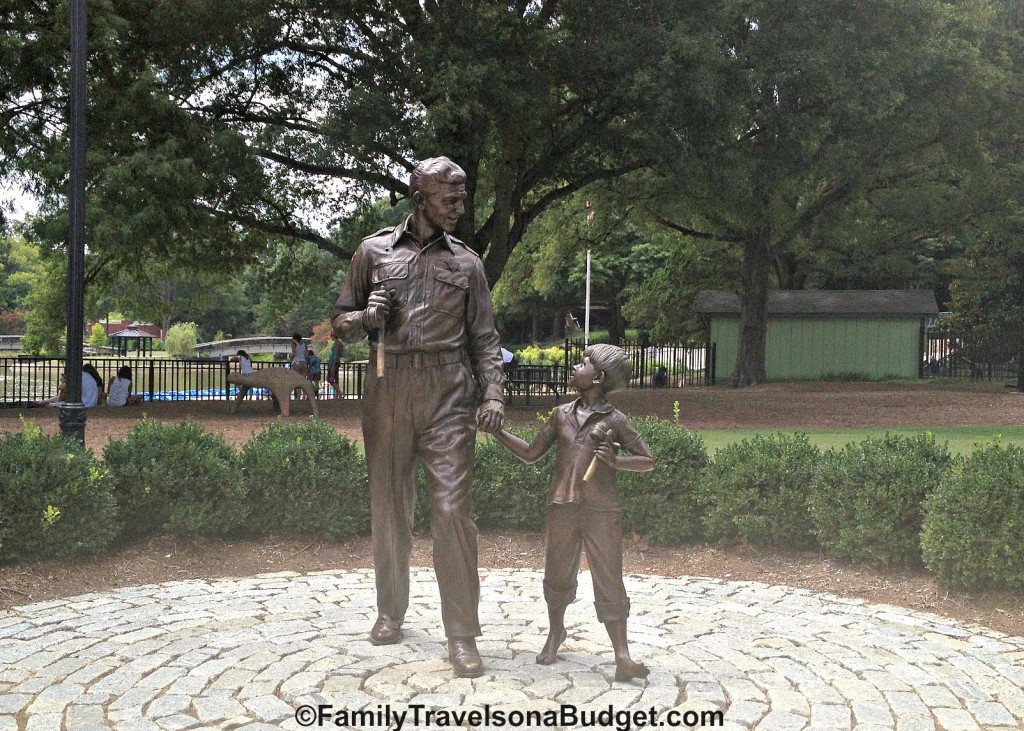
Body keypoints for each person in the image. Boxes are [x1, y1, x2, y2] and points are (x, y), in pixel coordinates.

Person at [330, 155, 505, 678]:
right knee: (389, 507)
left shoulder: (468, 264)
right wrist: (367, 317)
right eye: (449, 197)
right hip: (388, 387)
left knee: (451, 510)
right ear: (420, 199)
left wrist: (493, 395)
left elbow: (486, 339)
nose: (459, 205)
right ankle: (391, 609)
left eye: (462, 195)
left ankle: (461, 635)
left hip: (448, 393)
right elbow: (339, 322)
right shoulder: (373, 252)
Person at [493, 344, 655, 682]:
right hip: (562, 506)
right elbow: (531, 452)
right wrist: (497, 431)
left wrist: (616, 461)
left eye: (583, 362)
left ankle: (622, 655)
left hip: (601, 511)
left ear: (597, 376)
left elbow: (648, 459)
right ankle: (556, 633)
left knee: (609, 577)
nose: (575, 366)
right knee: (557, 574)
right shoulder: (561, 414)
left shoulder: (615, 420)